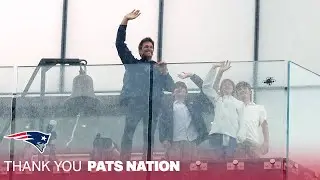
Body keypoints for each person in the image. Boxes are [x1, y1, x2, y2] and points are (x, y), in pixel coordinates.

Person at [115, 9, 175, 161]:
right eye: (145, 47)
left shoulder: (158, 67)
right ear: (140, 50)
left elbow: (171, 88)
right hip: (135, 104)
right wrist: (125, 20)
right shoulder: (133, 64)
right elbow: (120, 45)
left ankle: (147, 162)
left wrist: (165, 72)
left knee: (149, 136)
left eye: (151, 47)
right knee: (128, 132)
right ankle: (124, 160)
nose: (149, 49)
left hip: (152, 106)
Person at [158, 73, 211, 162]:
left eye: (182, 87)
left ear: (186, 93)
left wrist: (192, 75)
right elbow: (161, 124)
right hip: (174, 143)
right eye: (177, 87)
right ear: (173, 93)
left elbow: (205, 89)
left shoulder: (193, 105)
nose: (179, 88)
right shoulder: (167, 107)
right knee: (175, 172)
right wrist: (164, 139)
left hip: (191, 142)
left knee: (191, 170)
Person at [202, 61, 245, 160]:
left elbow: (242, 122)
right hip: (216, 135)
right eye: (224, 85)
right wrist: (215, 69)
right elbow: (206, 87)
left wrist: (240, 136)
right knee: (216, 165)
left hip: (232, 137)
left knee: (230, 165)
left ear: (233, 88)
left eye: (229, 84)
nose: (227, 86)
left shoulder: (239, 104)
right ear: (220, 89)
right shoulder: (217, 99)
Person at [234, 81, 269, 159]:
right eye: (239, 89)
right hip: (237, 145)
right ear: (236, 94)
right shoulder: (234, 108)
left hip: (254, 144)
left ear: (250, 91)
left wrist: (266, 142)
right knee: (236, 169)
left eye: (244, 88)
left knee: (255, 169)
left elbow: (264, 126)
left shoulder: (259, 108)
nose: (242, 90)